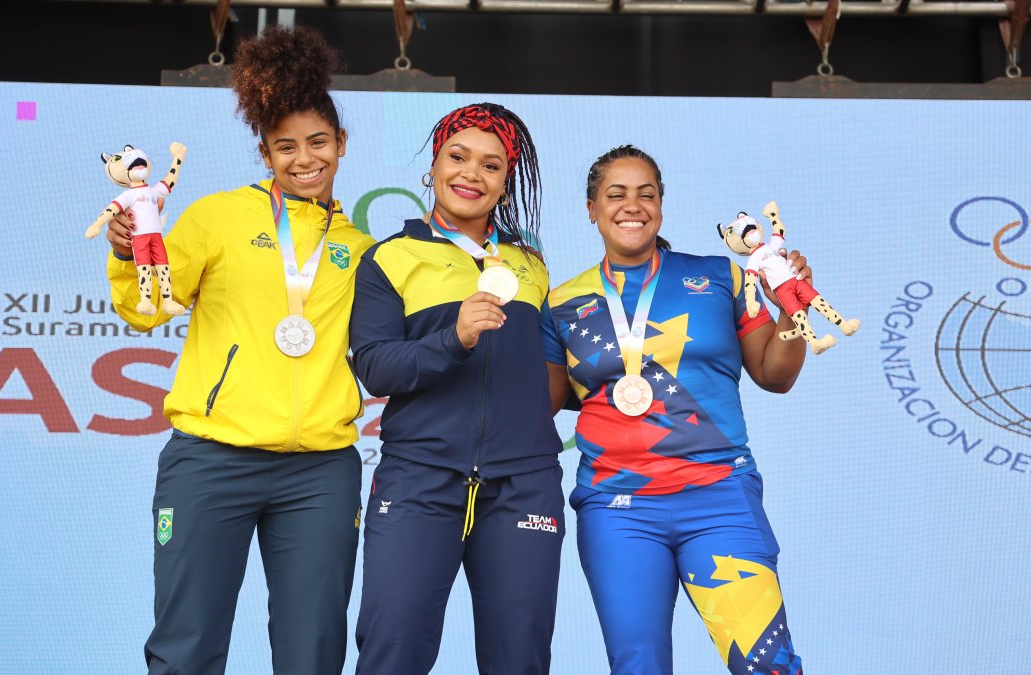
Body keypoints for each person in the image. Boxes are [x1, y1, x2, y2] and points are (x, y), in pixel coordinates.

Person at [101, 26, 373, 674]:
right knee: (187, 647)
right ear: (264, 151)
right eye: (286, 147)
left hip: (321, 471)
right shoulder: (217, 217)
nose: (304, 158)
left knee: (313, 655)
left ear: (341, 144)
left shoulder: (362, 249)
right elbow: (149, 307)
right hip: (211, 460)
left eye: (317, 143)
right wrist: (125, 248)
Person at [541, 145, 809, 675]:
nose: (632, 206)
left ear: (661, 206)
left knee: (769, 666)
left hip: (719, 499)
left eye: (647, 194)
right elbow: (539, 405)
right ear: (591, 209)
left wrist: (791, 307)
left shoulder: (721, 278)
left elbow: (776, 376)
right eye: (615, 195)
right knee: (638, 667)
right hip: (618, 509)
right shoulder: (562, 303)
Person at [349, 103, 564, 675]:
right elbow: (374, 366)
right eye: (458, 157)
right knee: (391, 652)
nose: (472, 174)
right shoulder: (389, 258)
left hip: (524, 486)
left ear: (505, 182)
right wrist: (455, 338)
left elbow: (550, 373)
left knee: (520, 659)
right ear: (434, 167)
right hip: (420, 478)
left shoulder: (531, 267)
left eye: (492, 166)